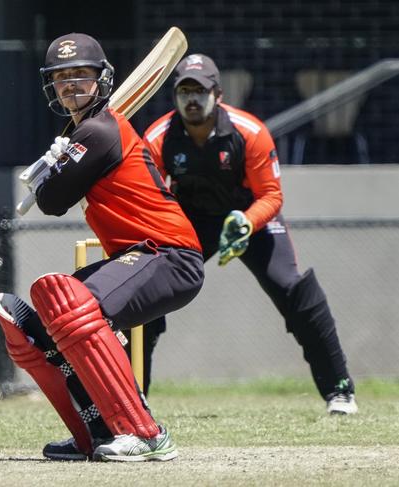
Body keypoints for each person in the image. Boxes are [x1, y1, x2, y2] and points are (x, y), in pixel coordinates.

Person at [0, 33, 205, 462]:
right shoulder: (90, 131)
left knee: (73, 304)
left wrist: (54, 168)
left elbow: (52, 202)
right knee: (52, 309)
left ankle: (146, 435)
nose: (71, 84)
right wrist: (58, 162)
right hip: (139, 255)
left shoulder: (102, 129)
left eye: (81, 76)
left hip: (168, 254)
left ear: (101, 79)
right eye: (62, 77)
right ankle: (98, 430)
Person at [141, 53, 357, 415]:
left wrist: (246, 222)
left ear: (218, 94)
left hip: (248, 217)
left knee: (294, 290)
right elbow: (150, 195)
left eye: (200, 91)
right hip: (189, 220)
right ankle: (134, 398)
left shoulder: (250, 132)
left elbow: (271, 194)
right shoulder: (159, 137)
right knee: (145, 295)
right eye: (184, 92)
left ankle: (340, 390)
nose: (192, 100)